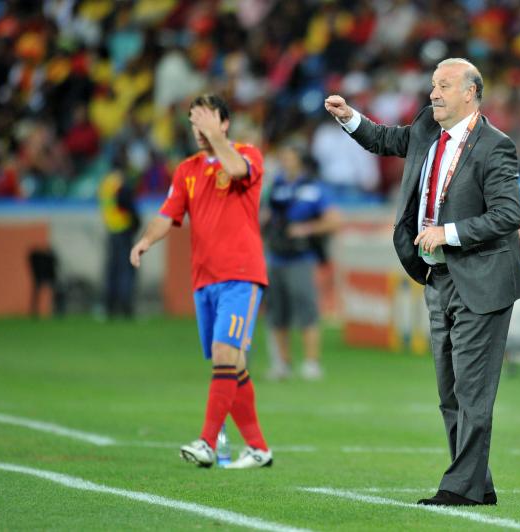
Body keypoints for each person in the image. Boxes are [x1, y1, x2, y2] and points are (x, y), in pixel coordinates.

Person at [325, 58, 520, 506]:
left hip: (483, 278)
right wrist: (349, 118)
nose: (433, 93)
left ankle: (461, 487)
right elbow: (384, 139)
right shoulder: (425, 130)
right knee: (450, 390)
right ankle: (478, 482)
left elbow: (510, 215)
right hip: (438, 277)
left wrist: (448, 233)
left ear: (470, 93)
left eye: (444, 85)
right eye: (433, 84)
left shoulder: (496, 146)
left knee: (472, 389)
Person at [130, 94, 272, 469]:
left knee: (226, 355)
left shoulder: (247, 154)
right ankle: (258, 447)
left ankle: (208, 442)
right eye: (193, 123)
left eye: (205, 120)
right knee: (234, 363)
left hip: (241, 275)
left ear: (224, 123)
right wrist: (146, 240)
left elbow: (239, 171)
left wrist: (216, 138)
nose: (198, 130)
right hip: (204, 280)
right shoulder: (187, 169)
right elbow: (167, 213)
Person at [263, 142, 341, 380]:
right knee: (277, 313)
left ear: (300, 160)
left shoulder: (314, 188)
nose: (284, 161)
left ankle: (311, 362)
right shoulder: (275, 187)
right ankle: (282, 363)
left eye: (289, 156)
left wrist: (306, 228)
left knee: (306, 311)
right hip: (275, 256)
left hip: (301, 257)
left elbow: (334, 220)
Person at [99, 168, 140, 318]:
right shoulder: (120, 184)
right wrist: (136, 222)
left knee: (112, 269)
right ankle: (125, 306)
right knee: (126, 270)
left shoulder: (106, 184)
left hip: (111, 229)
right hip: (124, 229)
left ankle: (109, 306)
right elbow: (128, 205)